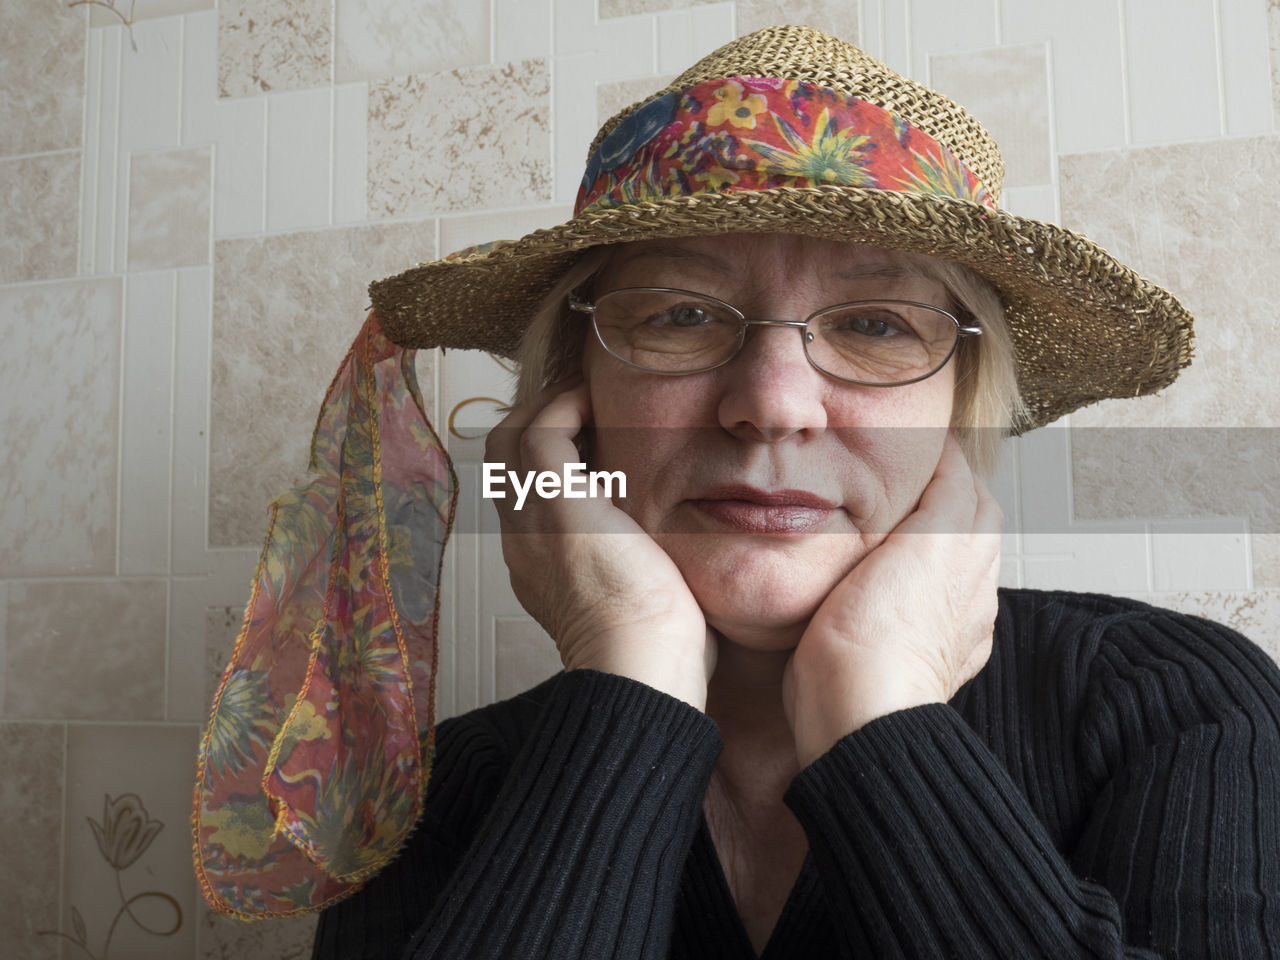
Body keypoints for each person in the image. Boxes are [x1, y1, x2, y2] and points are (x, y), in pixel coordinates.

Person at [299, 25, 1280, 959]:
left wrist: (881, 714)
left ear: (959, 406)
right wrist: (625, 674)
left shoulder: (1172, 701)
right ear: (570, 404)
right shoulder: (424, 793)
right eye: (680, 314)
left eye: (877, 325)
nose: (770, 406)